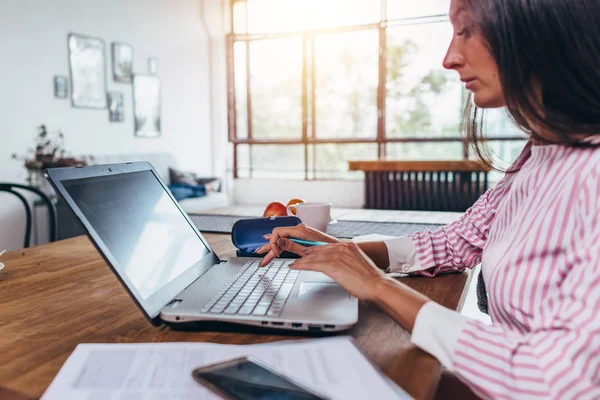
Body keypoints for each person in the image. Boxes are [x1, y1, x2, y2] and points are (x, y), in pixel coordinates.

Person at [255, 0, 600, 398]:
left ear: (536, 30)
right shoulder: (541, 151)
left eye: (466, 30)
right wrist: (339, 249)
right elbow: (457, 242)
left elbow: (552, 381)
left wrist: (380, 287)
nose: (449, 58)